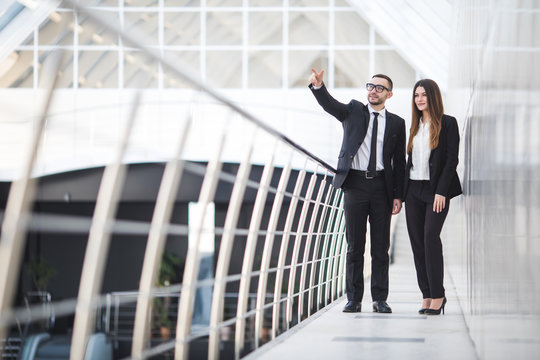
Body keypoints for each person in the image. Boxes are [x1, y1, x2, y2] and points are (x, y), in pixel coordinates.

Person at [309, 68, 406, 314]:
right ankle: (354, 299)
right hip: (354, 185)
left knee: (380, 248)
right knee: (354, 246)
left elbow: (399, 162)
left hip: (382, 187)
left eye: (379, 88)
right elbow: (330, 105)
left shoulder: (397, 123)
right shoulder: (353, 111)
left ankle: (379, 299)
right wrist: (319, 87)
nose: (373, 91)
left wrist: (398, 195)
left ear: (389, 94)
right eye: (370, 86)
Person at [403, 79, 462, 315]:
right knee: (417, 244)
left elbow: (451, 160)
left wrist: (441, 191)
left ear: (433, 97)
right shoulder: (415, 126)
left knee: (430, 238)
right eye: (416, 95)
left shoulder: (447, 123)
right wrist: (401, 194)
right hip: (413, 191)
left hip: (436, 190)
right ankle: (426, 294)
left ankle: (439, 294)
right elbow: (410, 163)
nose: (419, 99)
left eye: (424, 95)